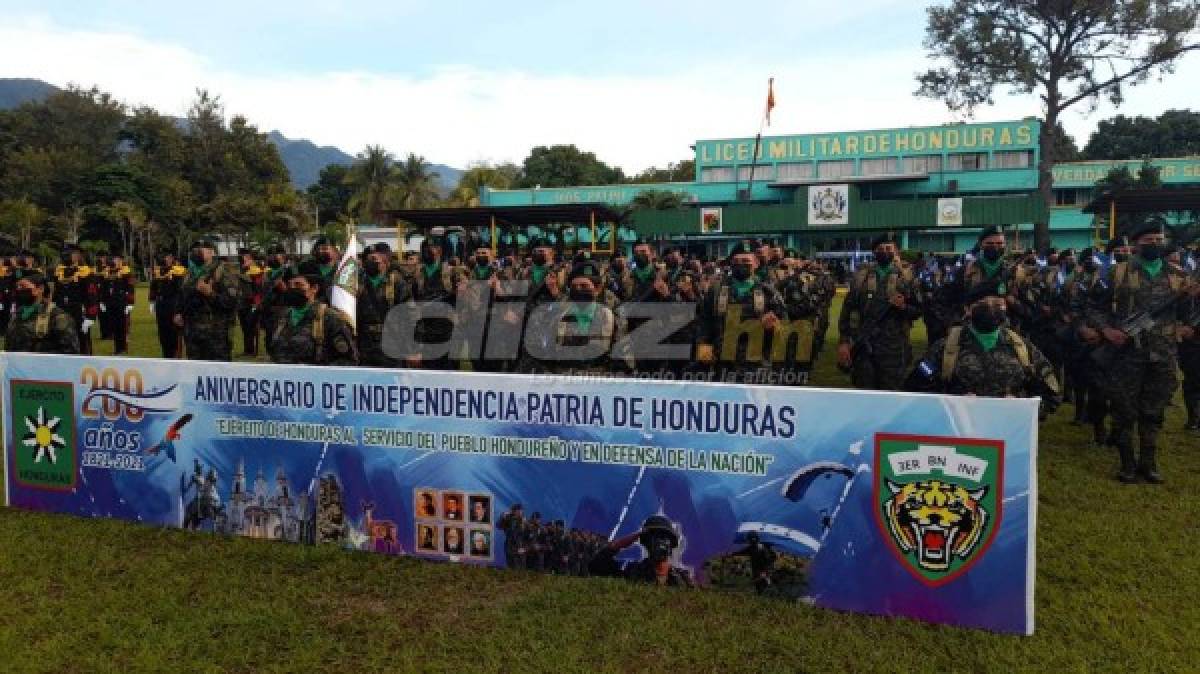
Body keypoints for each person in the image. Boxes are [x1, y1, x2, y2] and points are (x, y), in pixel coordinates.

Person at [1085, 225, 1196, 484]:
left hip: (1163, 354)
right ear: (1136, 243)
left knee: (1154, 409)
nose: (1156, 243)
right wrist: (1106, 330)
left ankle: (1149, 462)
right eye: (1149, 239)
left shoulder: (1179, 275)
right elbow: (1092, 306)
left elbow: (1188, 312)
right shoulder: (1117, 272)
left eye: (1160, 239)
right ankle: (1127, 463)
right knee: (1124, 409)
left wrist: (1188, 327)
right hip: (1126, 354)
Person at [908, 294, 1060, 419]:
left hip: (1009, 437)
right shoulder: (946, 348)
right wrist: (953, 402)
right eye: (984, 300)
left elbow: (1051, 394)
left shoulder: (1021, 347)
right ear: (968, 311)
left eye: (996, 300)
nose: (991, 304)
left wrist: (1022, 409)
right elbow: (915, 385)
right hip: (958, 433)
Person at [837, 233, 921, 390]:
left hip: (894, 349)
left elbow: (919, 310)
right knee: (865, 393)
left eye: (889, 248)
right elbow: (847, 310)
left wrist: (903, 307)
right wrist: (844, 342)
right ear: (874, 252)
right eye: (880, 248)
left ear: (895, 251)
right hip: (864, 347)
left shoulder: (906, 278)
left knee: (891, 394)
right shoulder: (861, 278)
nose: (885, 251)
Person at [695, 245, 786, 384]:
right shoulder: (716, 291)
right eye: (736, 261)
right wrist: (704, 347)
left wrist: (775, 327)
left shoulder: (769, 292)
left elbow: (784, 327)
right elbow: (704, 321)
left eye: (746, 261)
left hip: (757, 365)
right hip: (722, 364)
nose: (741, 265)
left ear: (756, 263)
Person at [267, 261, 357, 366]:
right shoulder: (281, 316)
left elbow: (348, 360)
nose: (292, 289)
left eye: (298, 285)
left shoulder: (330, 318)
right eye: (289, 285)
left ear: (314, 288)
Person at [176, 239, 240, 361]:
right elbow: (182, 294)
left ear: (211, 252)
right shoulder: (190, 273)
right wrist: (178, 312)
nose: (196, 252)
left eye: (201, 249)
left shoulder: (224, 271)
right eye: (194, 250)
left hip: (215, 336)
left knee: (217, 373)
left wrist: (210, 294)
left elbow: (231, 302)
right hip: (193, 335)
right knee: (196, 373)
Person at [357, 242, 409, 367]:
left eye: (376, 259)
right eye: (369, 258)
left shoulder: (397, 283)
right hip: (363, 344)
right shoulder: (356, 284)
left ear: (386, 262)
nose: (373, 261)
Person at [3, 273, 80, 354]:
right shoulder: (17, 315)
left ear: (40, 288)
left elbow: (71, 352)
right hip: (15, 365)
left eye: (23, 286)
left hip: (44, 365)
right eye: (18, 287)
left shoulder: (58, 317)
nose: (19, 290)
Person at [52, 243, 100, 355]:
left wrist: (90, 316)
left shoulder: (86, 272)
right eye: (65, 253)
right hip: (61, 310)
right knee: (62, 338)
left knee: (82, 341)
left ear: (78, 255)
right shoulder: (59, 271)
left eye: (70, 253)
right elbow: (56, 292)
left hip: (79, 312)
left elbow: (92, 295)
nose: (66, 255)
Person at [148, 252, 187, 358]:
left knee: (174, 332)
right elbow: (153, 286)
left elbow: (181, 291)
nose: (165, 259)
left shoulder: (178, 271)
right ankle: (166, 355)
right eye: (165, 257)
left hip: (172, 304)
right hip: (161, 304)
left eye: (168, 257)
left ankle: (176, 356)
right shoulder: (158, 271)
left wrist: (179, 309)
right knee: (162, 331)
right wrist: (151, 301)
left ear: (172, 258)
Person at [99, 253, 135, 354]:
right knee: (114, 327)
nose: (116, 261)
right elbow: (103, 287)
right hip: (110, 303)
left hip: (121, 302)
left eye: (118, 260)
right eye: (115, 259)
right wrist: (102, 301)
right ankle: (116, 348)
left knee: (122, 326)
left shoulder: (126, 271)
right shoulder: (108, 271)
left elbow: (130, 287)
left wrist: (130, 303)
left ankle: (123, 348)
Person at [236, 249, 265, 356]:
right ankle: (248, 349)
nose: (244, 259)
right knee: (244, 326)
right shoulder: (242, 270)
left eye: (246, 257)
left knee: (251, 325)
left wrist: (257, 303)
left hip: (253, 303)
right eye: (243, 256)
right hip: (242, 303)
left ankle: (253, 350)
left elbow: (258, 288)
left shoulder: (256, 270)